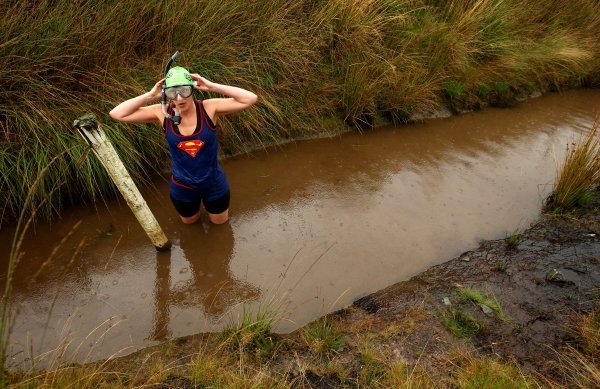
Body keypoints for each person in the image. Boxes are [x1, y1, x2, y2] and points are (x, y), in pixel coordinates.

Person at [109, 66, 257, 224]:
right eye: (173, 92)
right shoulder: (161, 112)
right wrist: (150, 95)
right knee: (190, 225)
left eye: (184, 91)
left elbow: (250, 98)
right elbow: (117, 113)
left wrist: (213, 86)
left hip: (214, 183)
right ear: (166, 92)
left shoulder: (210, 108)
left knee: (220, 225)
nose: (179, 98)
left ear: (193, 89)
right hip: (182, 187)